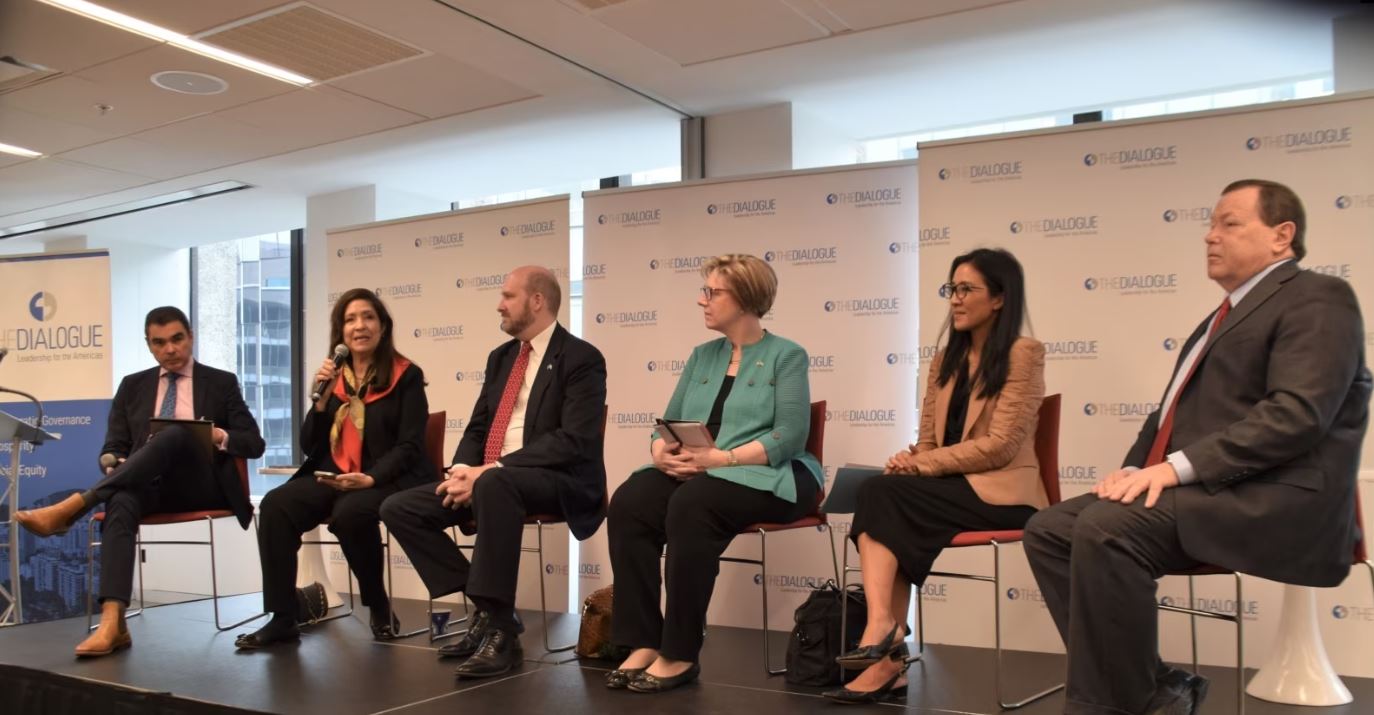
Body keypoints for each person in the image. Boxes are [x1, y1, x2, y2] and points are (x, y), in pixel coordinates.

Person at [1023, 179, 1371, 715]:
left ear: (1282, 236)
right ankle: (1154, 689)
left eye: (1229, 223)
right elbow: (1167, 416)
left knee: (1108, 528)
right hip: (1213, 490)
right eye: (1210, 225)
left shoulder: (1319, 297)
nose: (1210, 236)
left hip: (1275, 497)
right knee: (1050, 530)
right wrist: (1133, 470)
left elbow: (1296, 415)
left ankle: (1112, 705)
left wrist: (1172, 470)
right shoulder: (1220, 318)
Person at [822, 248, 1047, 704]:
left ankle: (883, 641)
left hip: (1003, 495)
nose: (955, 299)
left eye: (967, 289)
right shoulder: (944, 361)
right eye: (952, 289)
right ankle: (885, 641)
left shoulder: (1023, 354)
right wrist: (912, 460)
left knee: (886, 497)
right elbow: (927, 440)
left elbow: (1001, 445)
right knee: (885, 493)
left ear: (999, 298)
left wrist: (922, 465)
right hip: (950, 490)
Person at [605, 253, 822, 694]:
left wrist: (721, 460)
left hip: (772, 474)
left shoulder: (787, 355)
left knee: (692, 505)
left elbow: (790, 435)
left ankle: (679, 652)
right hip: (701, 472)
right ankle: (644, 641)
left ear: (744, 298)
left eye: (712, 292)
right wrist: (662, 454)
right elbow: (665, 424)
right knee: (631, 501)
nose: (701, 300)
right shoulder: (702, 356)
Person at [380, 265, 607, 679]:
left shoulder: (581, 358)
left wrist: (490, 469)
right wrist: (462, 470)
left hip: (556, 478)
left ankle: (500, 634)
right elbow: (479, 427)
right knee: (399, 507)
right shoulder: (501, 358)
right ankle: (493, 612)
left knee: (496, 483)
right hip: (494, 478)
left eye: (508, 296)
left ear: (536, 301)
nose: (499, 305)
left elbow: (573, 441)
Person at [15, 306, 265, 657]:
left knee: (176, 432)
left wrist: (216, 435)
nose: (170, 349)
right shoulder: (133, 385)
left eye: (177, 339)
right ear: (149, 345)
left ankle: (76, 506)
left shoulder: (221, 382)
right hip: (149, 484)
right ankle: (112, 622)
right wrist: (112, 463)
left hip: (201, 486)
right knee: (121, 498)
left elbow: (254, 443)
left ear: (191, 337)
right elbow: (112, 447)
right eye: (159, 343)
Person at [236, 288, 432, 649]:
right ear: (340, 332)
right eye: (350, 319)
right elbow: (310, 445)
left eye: (368, 317)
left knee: (350, 513)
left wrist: (371, 477)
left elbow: (410, 446)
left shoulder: (406, 375)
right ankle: (283, 617)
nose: (360, 326)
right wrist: (321, 402)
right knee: (277, 505)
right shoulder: (333, 379)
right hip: (336, 473)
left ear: (383, 327)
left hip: (387, 477)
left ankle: (377, 604)